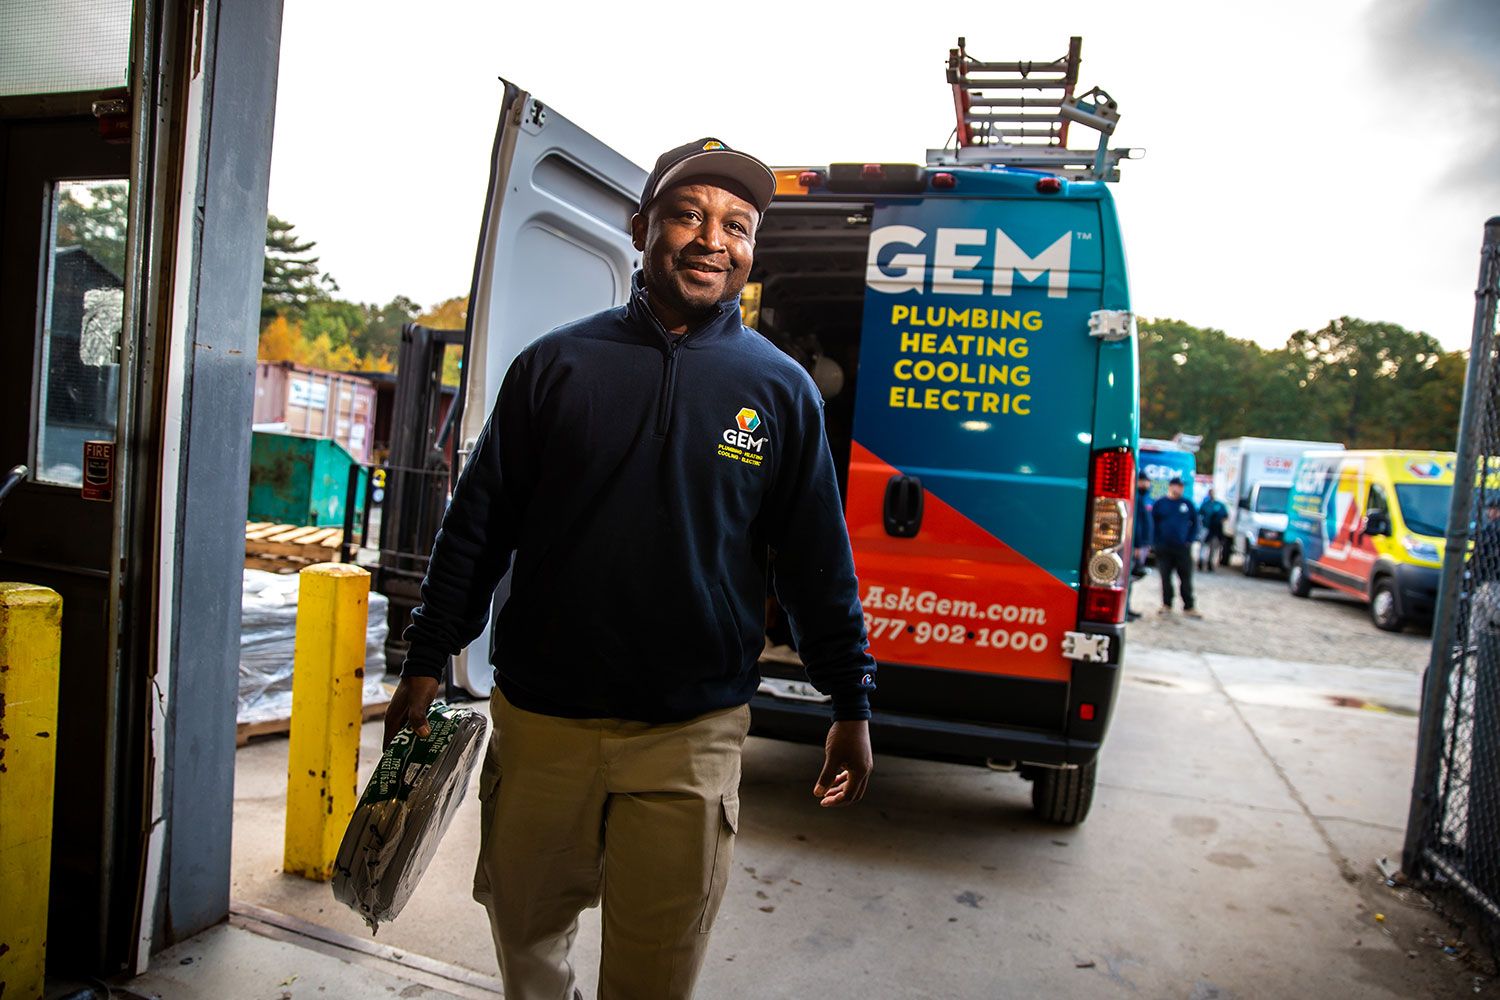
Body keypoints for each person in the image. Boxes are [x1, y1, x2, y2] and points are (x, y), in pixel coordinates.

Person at [383, 138, 877, 1000]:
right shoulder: (556, 366)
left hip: (689, 737)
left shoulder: (781, 389)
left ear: (753, 249)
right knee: (525, 939)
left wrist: (849, 702)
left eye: (737, 224)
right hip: (543, 725)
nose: (710, 240)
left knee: (658, 967)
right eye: (688, 214)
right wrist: (427, 661)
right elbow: (479, 526)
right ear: (642, 224)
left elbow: (814, 564)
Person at [1152, 477, 1201, 618]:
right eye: (1176, 486)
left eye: (1181, 486)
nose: (1178, 489)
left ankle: (1189, 606)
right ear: (1170, 486)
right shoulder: (1161, 503)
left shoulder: (1187, 504)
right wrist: (1155, 541)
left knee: (1185, 577)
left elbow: (1195, 524)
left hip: (1182, 548)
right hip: (1164, 547)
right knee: (1165, 577)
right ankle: (1167, 604)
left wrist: (1189, 540)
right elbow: (1153, 524)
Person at [1127, 472, 1154, 621]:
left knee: (1132, 578)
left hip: (1140, 545)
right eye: (1143, 481)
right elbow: (1135, 524)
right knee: (1129, 578)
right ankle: (1125, 610)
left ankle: (1127, 608)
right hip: (1134, 545)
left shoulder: (1144, 498)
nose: (1146, 484)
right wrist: (1137, 545)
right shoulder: (1136, 498)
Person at [1198, 488, 1229, 572]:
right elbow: (1200, 515)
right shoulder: (1205, 504)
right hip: (1206, 527)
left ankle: (1210, 563)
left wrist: (1219, 522)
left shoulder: (1219, 505)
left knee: (1213, 547)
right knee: (1204, 545)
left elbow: (1225, 516)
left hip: (1215, 529)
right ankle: (1201, 561)